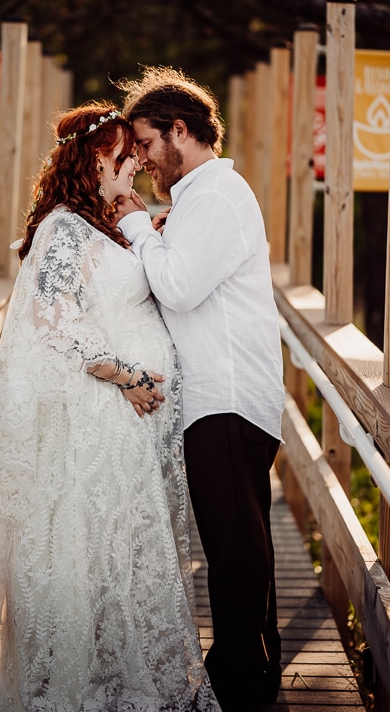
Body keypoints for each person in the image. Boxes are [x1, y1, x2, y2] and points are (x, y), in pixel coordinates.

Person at [0, 101, 220, 712]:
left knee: (116, 559)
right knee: (90, 555)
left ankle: (112, 674)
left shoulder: (100, 223)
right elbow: (52, 321)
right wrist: (126, 372)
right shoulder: (61, 229)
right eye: (122, 158)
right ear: (92, 161)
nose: (132, 166)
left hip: (120, 425)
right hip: (96, 416)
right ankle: (80, 684)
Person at [114, 68, 285, 712]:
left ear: (179, 131)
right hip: (218, 400)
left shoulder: (216, 195)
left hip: (228, 399)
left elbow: (179, 287)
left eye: (146, 143)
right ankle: (253, 671)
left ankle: (238, 679)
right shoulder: (198, 199)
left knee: (234, 546)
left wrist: (136, 224)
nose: (142, 159)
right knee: (238, 540)